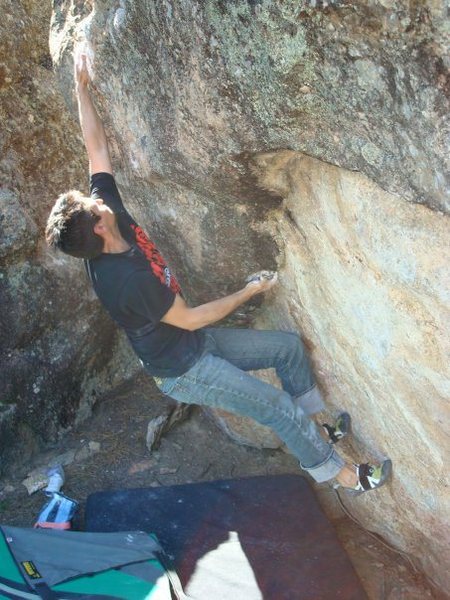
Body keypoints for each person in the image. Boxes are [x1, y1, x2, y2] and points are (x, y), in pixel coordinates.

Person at [45, 50, 391, 494]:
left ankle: (316, 428)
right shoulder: (124, 281)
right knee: (274, 407)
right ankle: (343, 476)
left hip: (192, 341)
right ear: (98, 227)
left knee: (287, 349)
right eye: (94, 205)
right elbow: (192, 317)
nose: (99, 198)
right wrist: (250, 291)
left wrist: (81, 87)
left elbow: (96, 150)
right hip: (183, 367)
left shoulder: (107, 217)